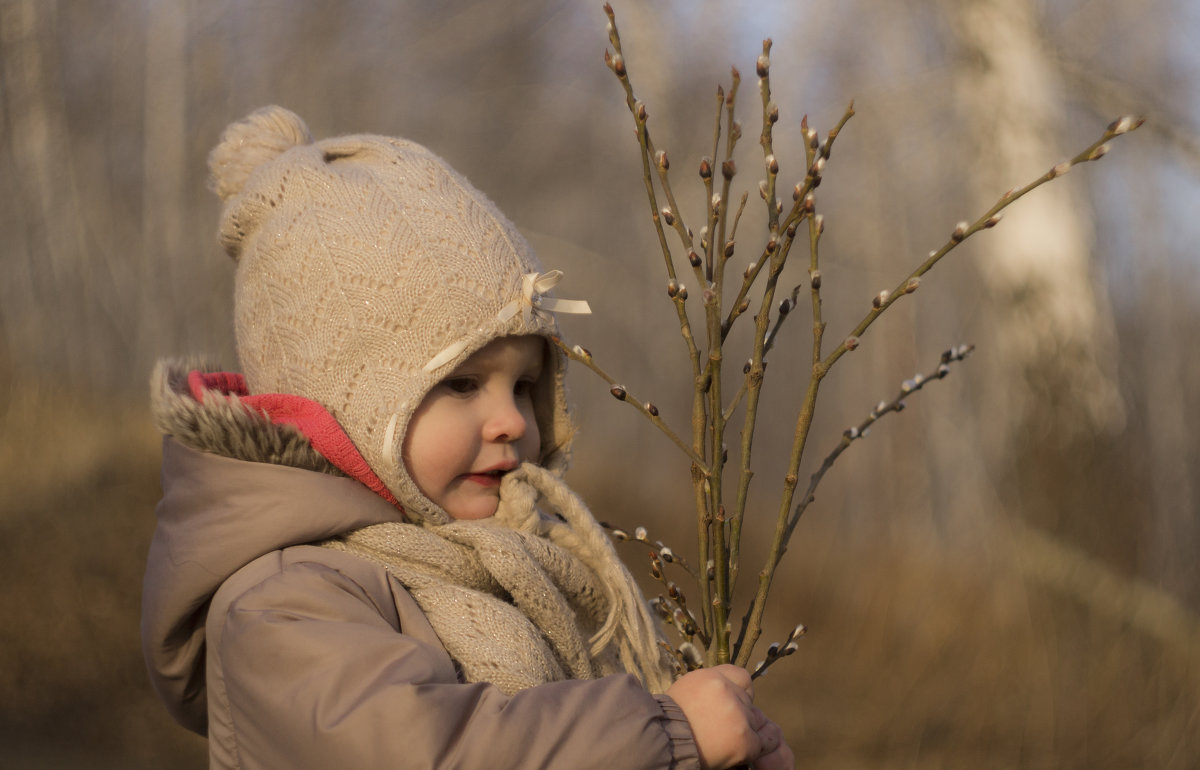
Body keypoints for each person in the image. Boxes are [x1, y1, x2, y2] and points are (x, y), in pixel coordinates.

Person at [141, 105, 794, 770]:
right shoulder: (286, 601)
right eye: (461, 384)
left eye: (524, 384)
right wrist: (668, 735)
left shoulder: (517, 568)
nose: (513, 420)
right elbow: (430, 754)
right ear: (345, 404)